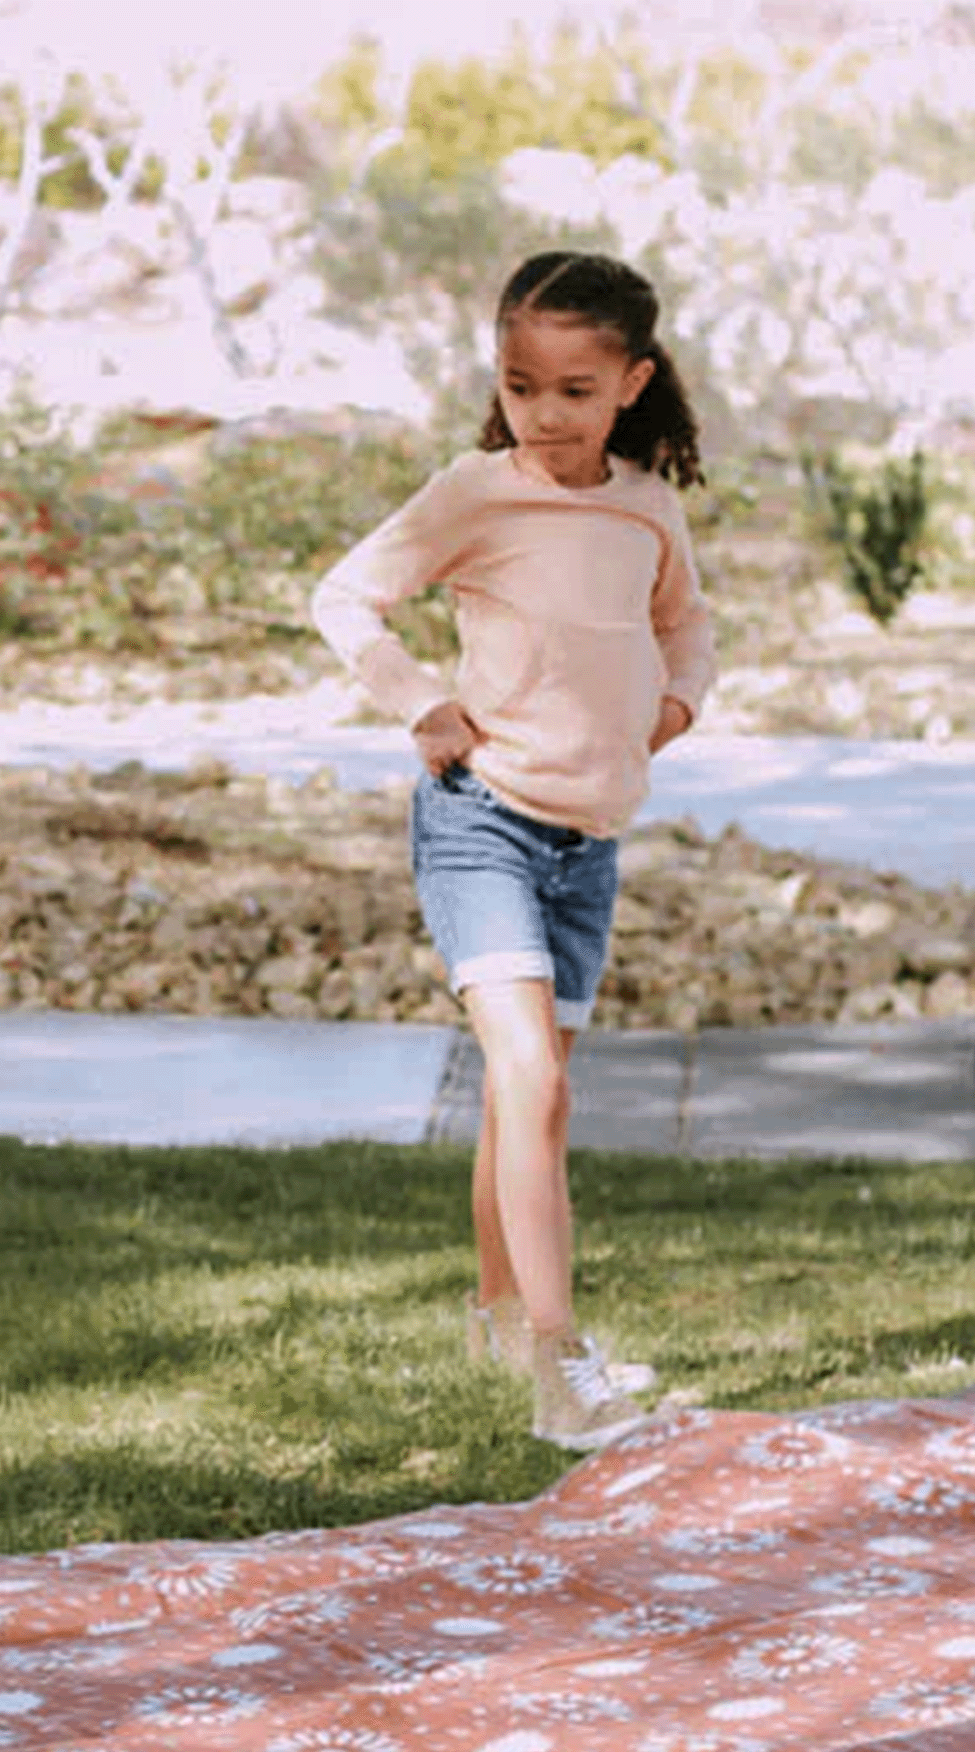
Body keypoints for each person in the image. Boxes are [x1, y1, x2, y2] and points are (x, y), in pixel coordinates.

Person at [312, 250, 717, 1451]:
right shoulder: (473, 493)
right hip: (480, 820)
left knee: (521, 1103)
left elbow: (684, 625)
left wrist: (675, 707)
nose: (544, 413)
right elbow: (345, 595)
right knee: (534, 1081)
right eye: (520, 383)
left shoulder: (645, 504)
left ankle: (499, 1316)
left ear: (630, 383)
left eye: (574, 390)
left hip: (585, 846)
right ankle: (556, 1365)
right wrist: (416, 703)